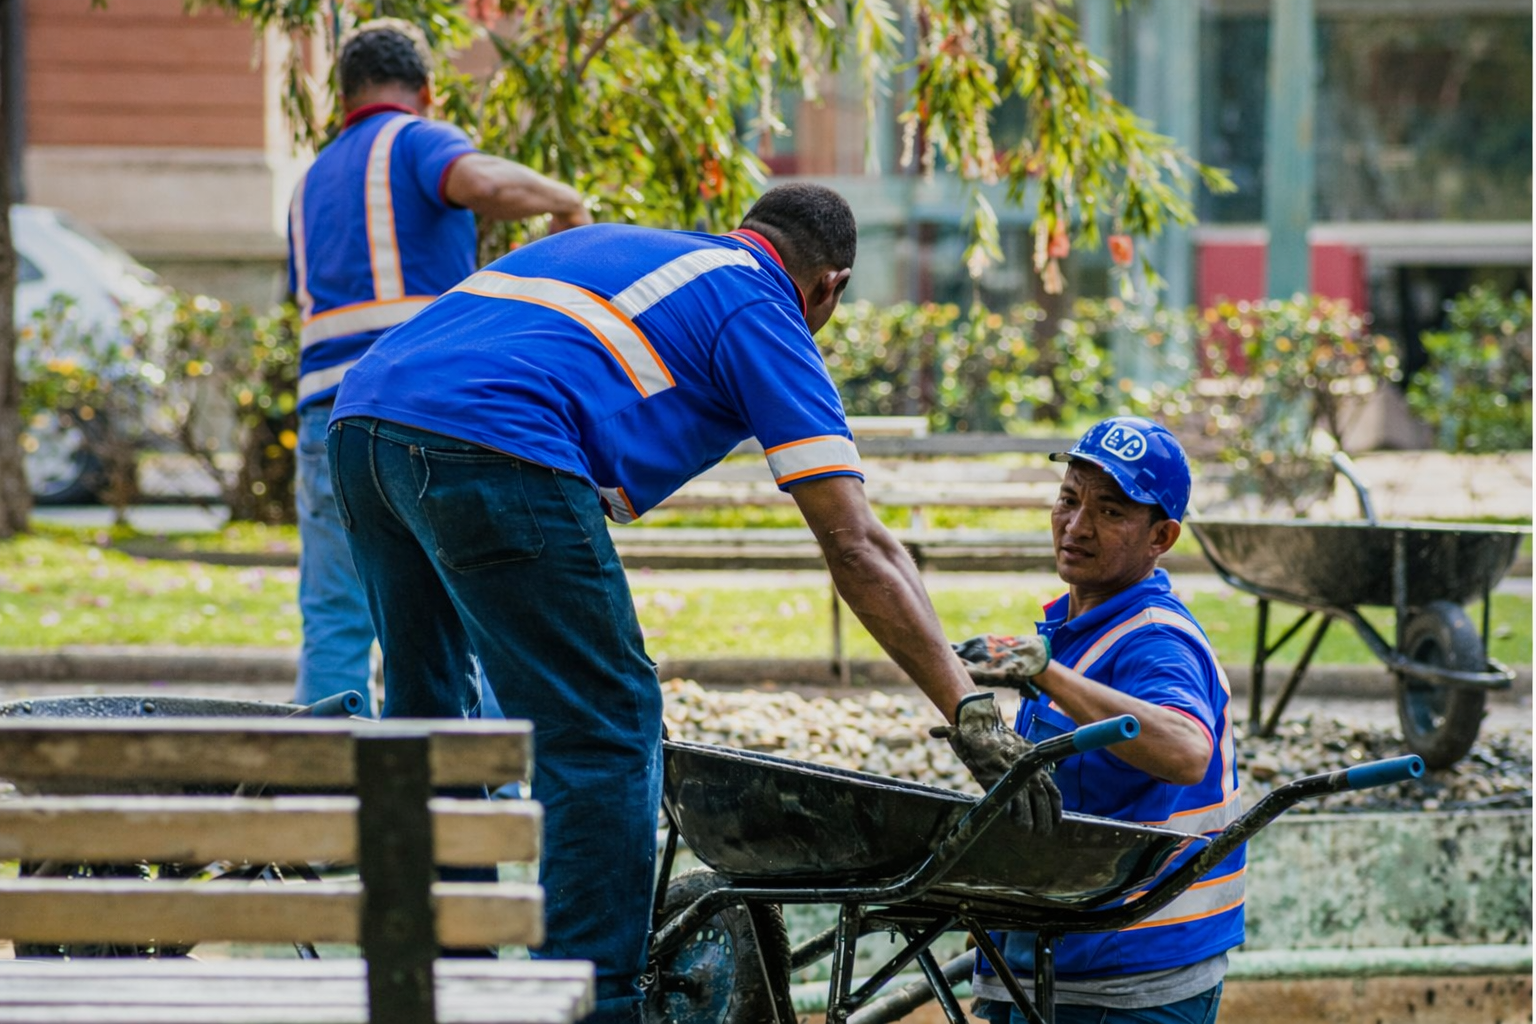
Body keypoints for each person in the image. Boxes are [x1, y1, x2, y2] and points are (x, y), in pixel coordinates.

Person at [325, 182, 1060, 1022]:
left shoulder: (635, 248)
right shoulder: (760, 306)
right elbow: (857, 543)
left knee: (430, 721)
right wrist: (968, 711)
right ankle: (593, 1005)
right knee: (603, 729)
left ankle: (442, 985)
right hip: (492, 440)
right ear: (831, 287)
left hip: (361, 425)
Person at [286, 18, 590, 710]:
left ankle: (328, 769)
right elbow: (480, 181)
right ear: (428, 90)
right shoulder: (415, 139)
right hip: (422, 416)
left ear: (342, 97)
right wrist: (565, 201)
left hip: (327, 420)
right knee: (474, 603)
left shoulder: (309, 182)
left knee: (335, 613)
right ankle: (488, 775)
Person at [956, 416, 1244, 1024]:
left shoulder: (1155, 641)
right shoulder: (1078, 630)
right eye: (1069, 499)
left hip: (1128, 978)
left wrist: (1045, 673)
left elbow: (1187, 750)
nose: (1077, 526)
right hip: (1056, 958)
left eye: (1110, 512)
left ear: (1161, 536)